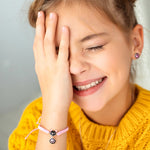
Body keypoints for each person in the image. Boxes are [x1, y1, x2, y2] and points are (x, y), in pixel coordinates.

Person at [8, 0, 150, 149]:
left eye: (94, 47)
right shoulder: (36, 119)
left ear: (135, 42)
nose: (75, 68)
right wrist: (54, 113)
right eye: (59, 52)